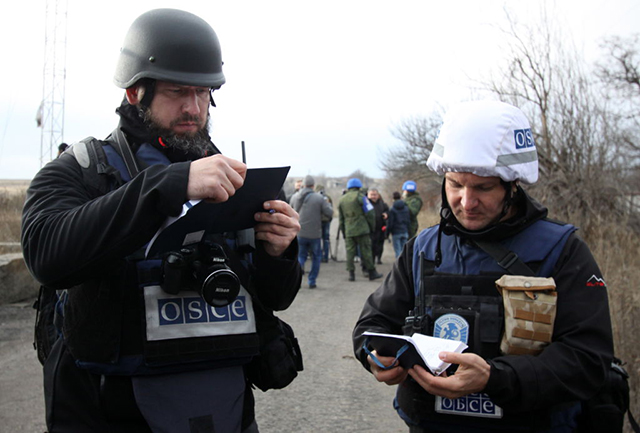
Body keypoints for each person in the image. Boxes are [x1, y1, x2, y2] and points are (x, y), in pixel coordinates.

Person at [21, 9, 302, 433]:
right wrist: (168, 185)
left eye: (203, 93)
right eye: (177, 92)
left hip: (225, 406)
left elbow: (274, 298)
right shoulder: (82, 170)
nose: (193, 107)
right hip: (112, 408)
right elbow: (46, 255)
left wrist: (278, 252)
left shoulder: (231, 176)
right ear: (136, 92)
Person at [352, 100, 613, 432]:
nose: (467, 201)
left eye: (483, 187)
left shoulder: (562, 251)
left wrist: (495, 378)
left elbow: (588, 359)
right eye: (455, 184)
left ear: (513, 186)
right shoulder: (423, 247)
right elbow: (373, 323)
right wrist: (373, 356)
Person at [290, 175, 333, 288]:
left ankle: (296, 280)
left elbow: (290, 212)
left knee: (300, 257)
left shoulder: (294, 197)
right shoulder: (319, 198)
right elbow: (329, 212)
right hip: (315, 234)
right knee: (316, 257)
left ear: (303, 185)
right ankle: (312, 281)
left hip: (299, 233)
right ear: (313, 186)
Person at [338, 178, 383, 282]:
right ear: (359, 187)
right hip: (362, 229)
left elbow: (341, 219)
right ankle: (372, 272)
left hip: (349, 230)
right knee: (366, 251)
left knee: (350, 252)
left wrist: (344, 231)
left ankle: (351, 274)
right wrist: (371, 227)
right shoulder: (361, 197)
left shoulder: (342, 199)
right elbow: (370, 213)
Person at [385, 191, 410, 257]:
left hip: (396, 232)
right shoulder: (406, 208)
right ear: (400, 197)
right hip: (405, 231)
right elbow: (408, 221)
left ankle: (399, 263)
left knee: (398, 250)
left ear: (393, 198)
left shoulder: (392, 209)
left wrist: (387, 233)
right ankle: (405, 263)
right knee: (404, 250)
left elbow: (390, 223)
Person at [367, 188, 389, 265]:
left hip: (380, 228)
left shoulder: (382, 204)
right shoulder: (366, 204)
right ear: (368, 195)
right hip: (369, 229)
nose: (373, 196)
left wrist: (386, 214)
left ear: (378, 195)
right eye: (372, 195)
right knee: (371, 246)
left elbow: (388, 211)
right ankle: (371, 261)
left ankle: (379, 258)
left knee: (380, 245)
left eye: (375, 195)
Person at [315, 183, 333, 262]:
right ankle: (326, 256)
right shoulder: (328, 197)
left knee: (318, 239)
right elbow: (330, 209)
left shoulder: (315, 197)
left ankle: (318, 256)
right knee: (326, 239)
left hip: (318, 221)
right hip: (326, 221)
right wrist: (330, 218)